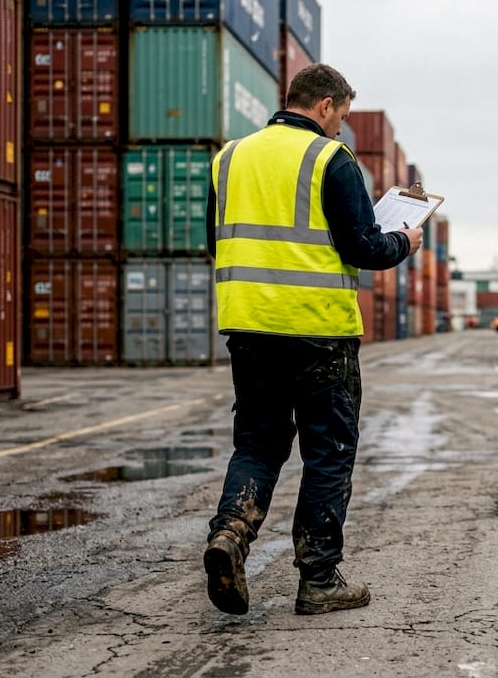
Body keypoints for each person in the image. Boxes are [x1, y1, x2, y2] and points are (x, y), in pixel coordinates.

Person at [202, 64, 422, 616]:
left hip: (249, 327)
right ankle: (319, 579)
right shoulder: (331, 160)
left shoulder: (229, 158)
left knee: (257, 444)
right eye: (342, 117)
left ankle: (230, 535)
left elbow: (215, 241)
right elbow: (363, 249)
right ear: (325, 106)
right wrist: (405, 239)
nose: (342, 130)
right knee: (328, 452)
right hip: (319, 331)